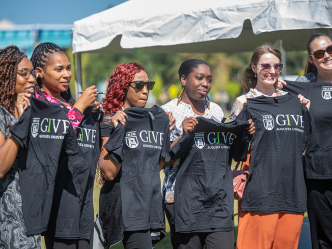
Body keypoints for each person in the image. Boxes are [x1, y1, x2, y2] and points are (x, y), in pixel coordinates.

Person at [161, 59, 255, 249]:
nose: (205, 83)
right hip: (182, 199)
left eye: (209, 79)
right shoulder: (167, 112)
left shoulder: (216, 111)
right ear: (183, 79)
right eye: (199, 78)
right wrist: (184, 135)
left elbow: (223, 150)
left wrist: (244, 134)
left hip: (217, 198)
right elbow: (162, 160)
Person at [230, 43, 311, 249]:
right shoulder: (245, 103)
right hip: (259, 196)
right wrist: (236, 114)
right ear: (254, 67)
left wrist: (305, 110)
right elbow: (232, 149)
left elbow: (301, 146)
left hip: (292, 195)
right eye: (265, 66)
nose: (272, 71)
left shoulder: (296, 103)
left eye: (277, 66)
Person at [97, 62, 174, 249]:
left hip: (149, 203)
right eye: (139, 85)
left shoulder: (153, 120)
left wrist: (165, 132)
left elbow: (156, 166)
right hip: (126, 204)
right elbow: (109, 172)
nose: (145, 91)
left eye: (149, 85)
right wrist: (118, 130)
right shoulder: (110, 119)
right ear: (123, 86)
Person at [30, 42, 99, 249]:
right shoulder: (37, 105)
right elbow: (54, 138)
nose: (66, 74)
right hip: (59, 201)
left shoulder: (72, 104)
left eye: (68, 68)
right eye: (58, 69)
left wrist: (100, 118)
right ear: (39, 72)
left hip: (84, 198)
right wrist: (79, 108)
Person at [0, 45, 40, 248]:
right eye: (23, 74)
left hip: (31, 216)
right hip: (7, 219)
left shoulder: (32, 113)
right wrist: (20, 122)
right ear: (5, 77)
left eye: (32, 73)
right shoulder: (1, 115)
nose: (32, 79)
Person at [295, 33, 332, 249]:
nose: (327, 55)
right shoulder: (302, 85)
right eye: (319, 53)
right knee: (323, 238)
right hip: (316, 174)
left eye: (330, 49)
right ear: (311, 59)